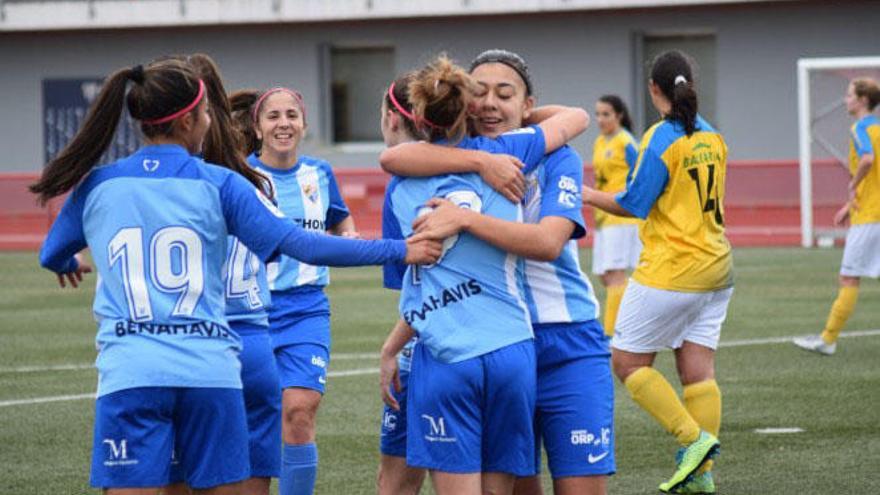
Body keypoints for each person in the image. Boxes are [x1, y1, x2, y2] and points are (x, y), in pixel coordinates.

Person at [31, 58, 440, 495]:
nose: (211, 123)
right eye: (207, 113)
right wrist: (399, 249)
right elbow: (302, 244)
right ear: (188, 120)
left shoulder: (98, 184)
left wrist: (69, 265)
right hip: (210, 371)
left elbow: (52, 253)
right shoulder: (222, 183)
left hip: (132, 373)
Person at [382, 49, 612, 495]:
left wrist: (466, 218)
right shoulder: (461, 157)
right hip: (492, 340)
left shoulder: (553, 156)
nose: (489, 104)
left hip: (566, 341)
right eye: (478, 93)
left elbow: (547, 243)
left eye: (504, 94)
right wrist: (479, 162)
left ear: (528, 105)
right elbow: (394, 160)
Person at [583, 50, 730, 494]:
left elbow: (633, 203)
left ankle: (693, 441)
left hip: (673, 270)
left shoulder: (661, 138)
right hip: (718, 269)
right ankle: (701, 479)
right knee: (698, 372)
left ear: (653, 90)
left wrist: (586, 195)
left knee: (626, 362)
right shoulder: (714, 136)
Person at [159, 53, 280, 495]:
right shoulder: (256, 182)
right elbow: (276, 254)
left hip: (188, 346)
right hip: (253, 348)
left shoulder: (166, 188)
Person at [238, 86, 356, 495]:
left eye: (291, 115)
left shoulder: (319, 173)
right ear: (256, 127)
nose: (283, 123)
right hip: (251, 313)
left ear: (304, 124)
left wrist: (348, 235)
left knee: (300, 410)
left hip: (306, 309)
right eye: (272, 116)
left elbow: (340, 217)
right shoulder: (241, 176)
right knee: (257, 419)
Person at [794, 77, 880, 356]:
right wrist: (849, 205)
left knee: (849, 277)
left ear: (863, 100)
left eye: (849, 95)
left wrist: (853, 184)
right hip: (868, 210)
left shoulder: (859, 129)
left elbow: (867, 161)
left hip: (871, 217)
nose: (846, 100)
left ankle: (828, 339)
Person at [591, 94, 642, 337]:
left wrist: (631, 199)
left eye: (606, 114)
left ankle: (612, 334)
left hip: (621, 216)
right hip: (603, 215)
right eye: (598, 114)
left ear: (619, 115)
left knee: (615, 274)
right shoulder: (600, 142)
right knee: (604, 275)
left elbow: (641, 173)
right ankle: (635, 317)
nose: (600, 119)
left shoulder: (626, 141)